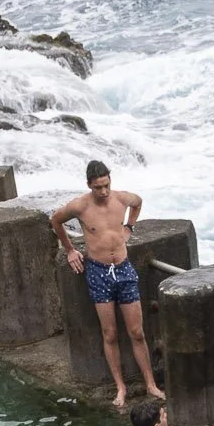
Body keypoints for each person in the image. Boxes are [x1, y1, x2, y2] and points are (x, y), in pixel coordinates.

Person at [49, 161, 162, 410]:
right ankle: (120, 387)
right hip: (98, 272)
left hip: (123, 269)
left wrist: (129, 227)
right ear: (89, 185)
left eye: (106, 185)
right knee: (109, 333)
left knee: (137, 332)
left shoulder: (121, 199)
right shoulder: (80, 206)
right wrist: (69, 250)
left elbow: (138, 202)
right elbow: (55, 220)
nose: (103, 191)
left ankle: (151, 384)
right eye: (98, 187)